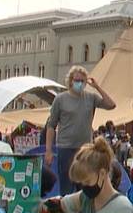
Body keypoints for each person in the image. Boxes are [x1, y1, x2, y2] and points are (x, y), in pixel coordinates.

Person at [44, 66, 117, 196]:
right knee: (66, 186)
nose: (80, 83)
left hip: (84, 149)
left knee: (84, 184)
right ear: (71, 80)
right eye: (77, 80)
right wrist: (49, 150)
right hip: (65, 148)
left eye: (83, 81)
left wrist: (97, 87)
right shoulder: (60, 99)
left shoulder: (91, 97)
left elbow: (111, 105)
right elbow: (51, 126)